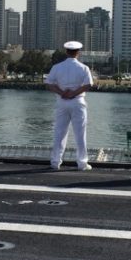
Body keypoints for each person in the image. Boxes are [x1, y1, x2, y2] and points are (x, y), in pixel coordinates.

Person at [45, 41, 94, 171]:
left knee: (59, 133)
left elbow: (49, 84)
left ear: (66, 52)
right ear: (78, 52)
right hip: (78, 102)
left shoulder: (57, 67)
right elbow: (88, 85)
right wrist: (73, 93)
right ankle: (82, 163)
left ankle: (55, 162)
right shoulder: (84, 68)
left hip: (62, 102)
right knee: (80, 133)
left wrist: (63, 93)